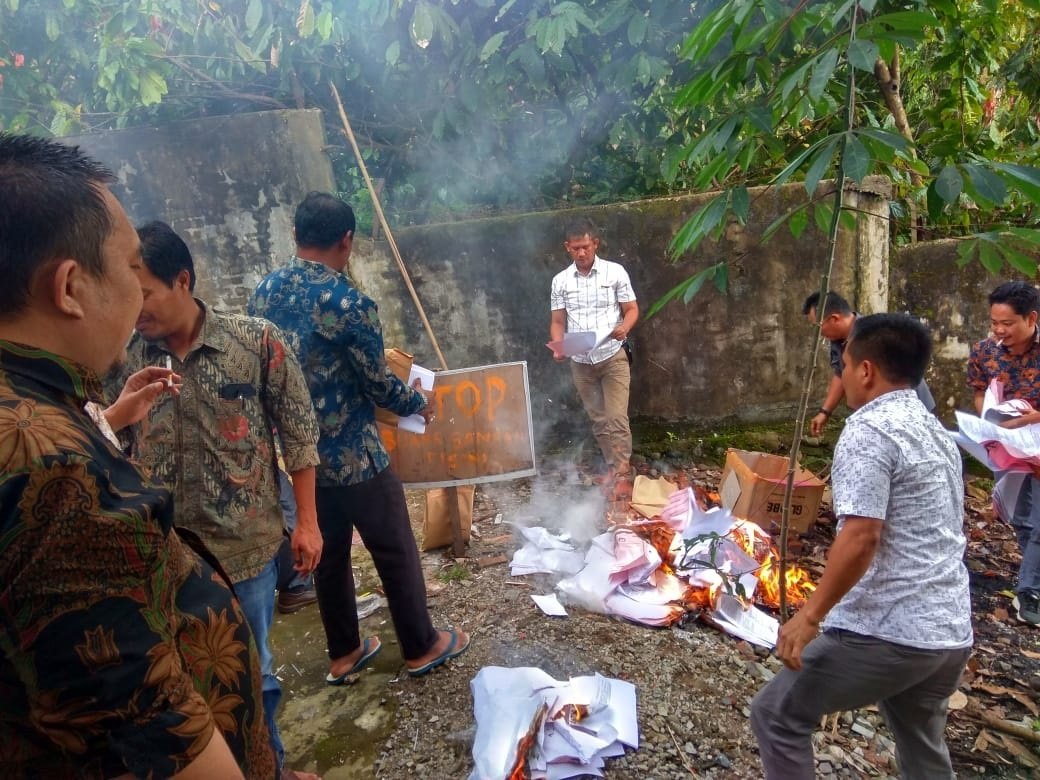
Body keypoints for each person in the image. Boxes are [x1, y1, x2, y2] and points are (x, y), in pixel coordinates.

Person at [0, 134, 274, 777]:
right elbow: (142, 728)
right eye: (128, 269)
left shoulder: (38, 403)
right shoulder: (55, 475)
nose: (139, 295)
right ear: (69, 288)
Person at [121, 221, 322, 778]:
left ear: (181, 280)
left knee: (251, 675)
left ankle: (272, 768)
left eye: (144, 295)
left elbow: (299, 434)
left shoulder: (254, 341)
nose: (134, 309)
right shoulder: (124, 355)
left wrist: (306, 523)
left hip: (243, 552)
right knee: (173, 682)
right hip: (157, 554)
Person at [249, 192, 471, 684]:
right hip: (355, 457)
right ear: (346, 241)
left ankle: (344, 652)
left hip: (302, 461)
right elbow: (377, 383)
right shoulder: (348, 301)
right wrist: (418, 402)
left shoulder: (262, 294)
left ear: (295, 235)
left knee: (324, 553)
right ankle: (421, 645)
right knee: (393, 548)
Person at [750, 313, 973, 779]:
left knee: (776, 715)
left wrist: (809, 616)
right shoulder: (936, 430)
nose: (843, 376)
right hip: (949, 633)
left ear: (866, 370)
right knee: (921, 744)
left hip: (891, 631)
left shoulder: (869, 429)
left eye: (845, 366)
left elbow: (862, 536)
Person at [966, 280, 1040, 625]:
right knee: (1023, 518)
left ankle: (1029, 593)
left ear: (1031, 318)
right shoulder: (984, 351)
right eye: (994, 322)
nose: (999, 330)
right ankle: (1034, 579)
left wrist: (1030, 419)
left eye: (1007, 323)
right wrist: (988, 422)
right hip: (1006, 448)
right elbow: (979, 392)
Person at [549, 218, 639, 482]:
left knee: (617, 418)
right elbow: (557, 322)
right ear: (567, 247)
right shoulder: (560, 281)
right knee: (599, 419)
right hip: (580, 360)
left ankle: (622, 471)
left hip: (613, 355)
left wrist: (625, 327)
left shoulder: (615, 272)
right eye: (575, 247)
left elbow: (631, 309)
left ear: (595, 244)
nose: (581, 252)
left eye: (585, 246)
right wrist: (558, 347)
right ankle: (614, 466)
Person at [802, 290, 935, 436]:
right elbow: (840, 374)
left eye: (818, 326)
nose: (819, 333)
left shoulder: (874, 336)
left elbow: (889, 385)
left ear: (834, 319)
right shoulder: (837, 341)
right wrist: (824, 412)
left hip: (911, 409)